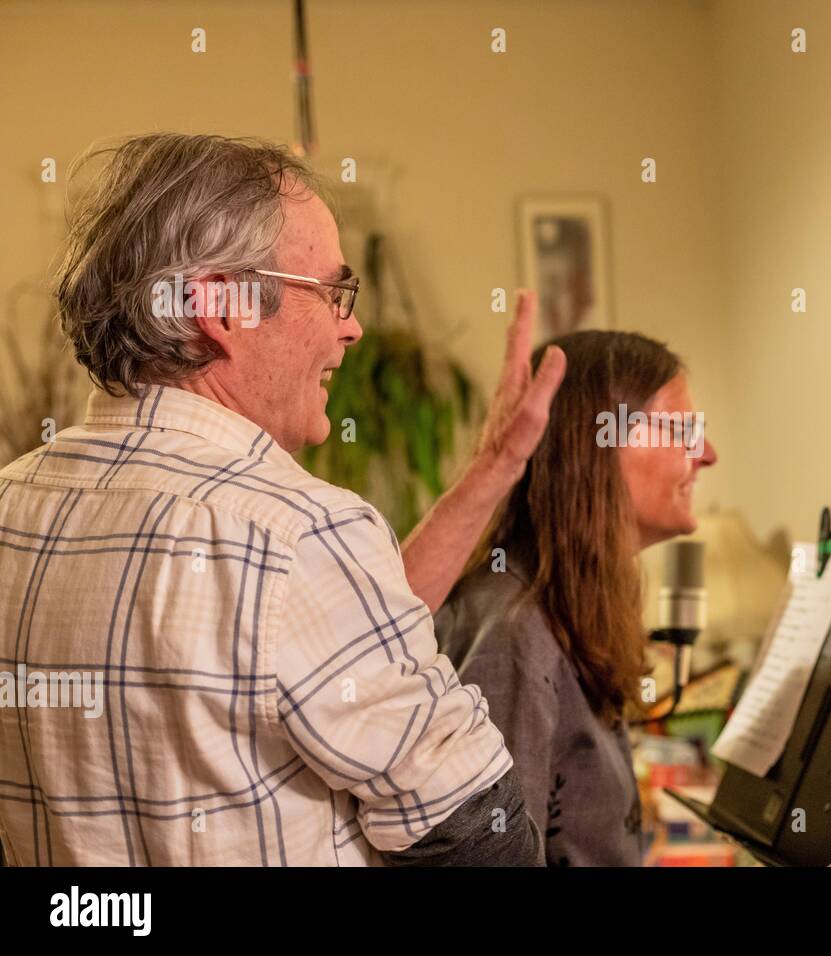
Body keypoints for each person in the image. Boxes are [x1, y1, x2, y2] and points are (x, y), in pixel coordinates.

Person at [0, 133, 566, 866]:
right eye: (332, 291)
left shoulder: (13, 506)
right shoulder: (296, 534)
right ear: (224, 308)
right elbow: (478, 841)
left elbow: (322, 649)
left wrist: (493, 466)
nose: (351, 325)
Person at [435, 330, 718, 866]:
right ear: (600, 445)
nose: (707, 454)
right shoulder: (513, 636)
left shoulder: (559, 610)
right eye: (685, 430)